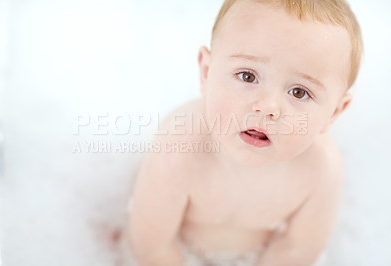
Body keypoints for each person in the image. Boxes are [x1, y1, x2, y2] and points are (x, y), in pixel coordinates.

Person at [126, 0, 363, 265]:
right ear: (206, 72)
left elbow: (296, 251)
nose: (267, 107)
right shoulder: (179, 149)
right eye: (248, 76)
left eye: (299, 92)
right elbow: (151, 247)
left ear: (333, 113)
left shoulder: (320, 170)